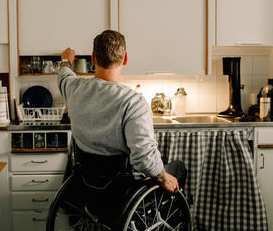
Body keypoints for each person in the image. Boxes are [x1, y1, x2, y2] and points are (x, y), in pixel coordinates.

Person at [58, 30, 186, 193]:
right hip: (119, 194)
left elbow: (63, 75)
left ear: (93, 58)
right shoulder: (133, 102)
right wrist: (163, 177)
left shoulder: (74, 89)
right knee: (178, 168)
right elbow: (144, 159)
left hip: (87, 188)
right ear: (125, 59)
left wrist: (65, 60)